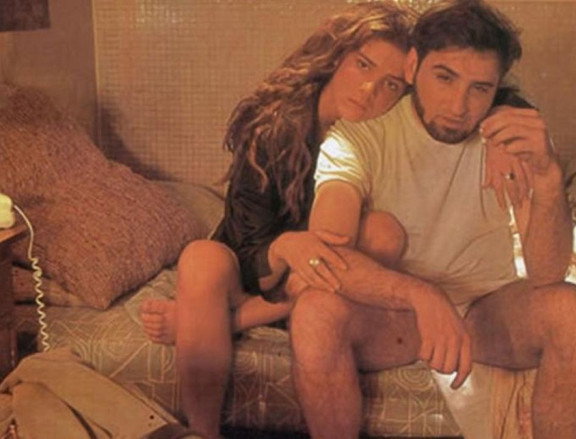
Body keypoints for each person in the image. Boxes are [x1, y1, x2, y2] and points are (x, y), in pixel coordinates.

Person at [289, 1, 576, 438]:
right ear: (413, 66)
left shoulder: (508, 134)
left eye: (480, 89)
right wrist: (421, 295)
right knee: (314, 312)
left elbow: (548, 273)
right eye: (444, 78)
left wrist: (549, 177)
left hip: (484, 310)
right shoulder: (359, 137)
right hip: (394, 315)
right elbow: (329, 255)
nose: (459, 105)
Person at [137, 3, 417, 437]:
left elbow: (468, 94)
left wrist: (507, 119)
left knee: (383, 233)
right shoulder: (272, 122)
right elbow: (247, 246)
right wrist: (287, 246)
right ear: (336, 56)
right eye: (363, 65)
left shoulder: (388, 135)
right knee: (201, 258)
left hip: (323, 284)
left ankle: (225, 320)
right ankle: (202, 433)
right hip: (255, 268)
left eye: (391, 84)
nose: (369, 90)